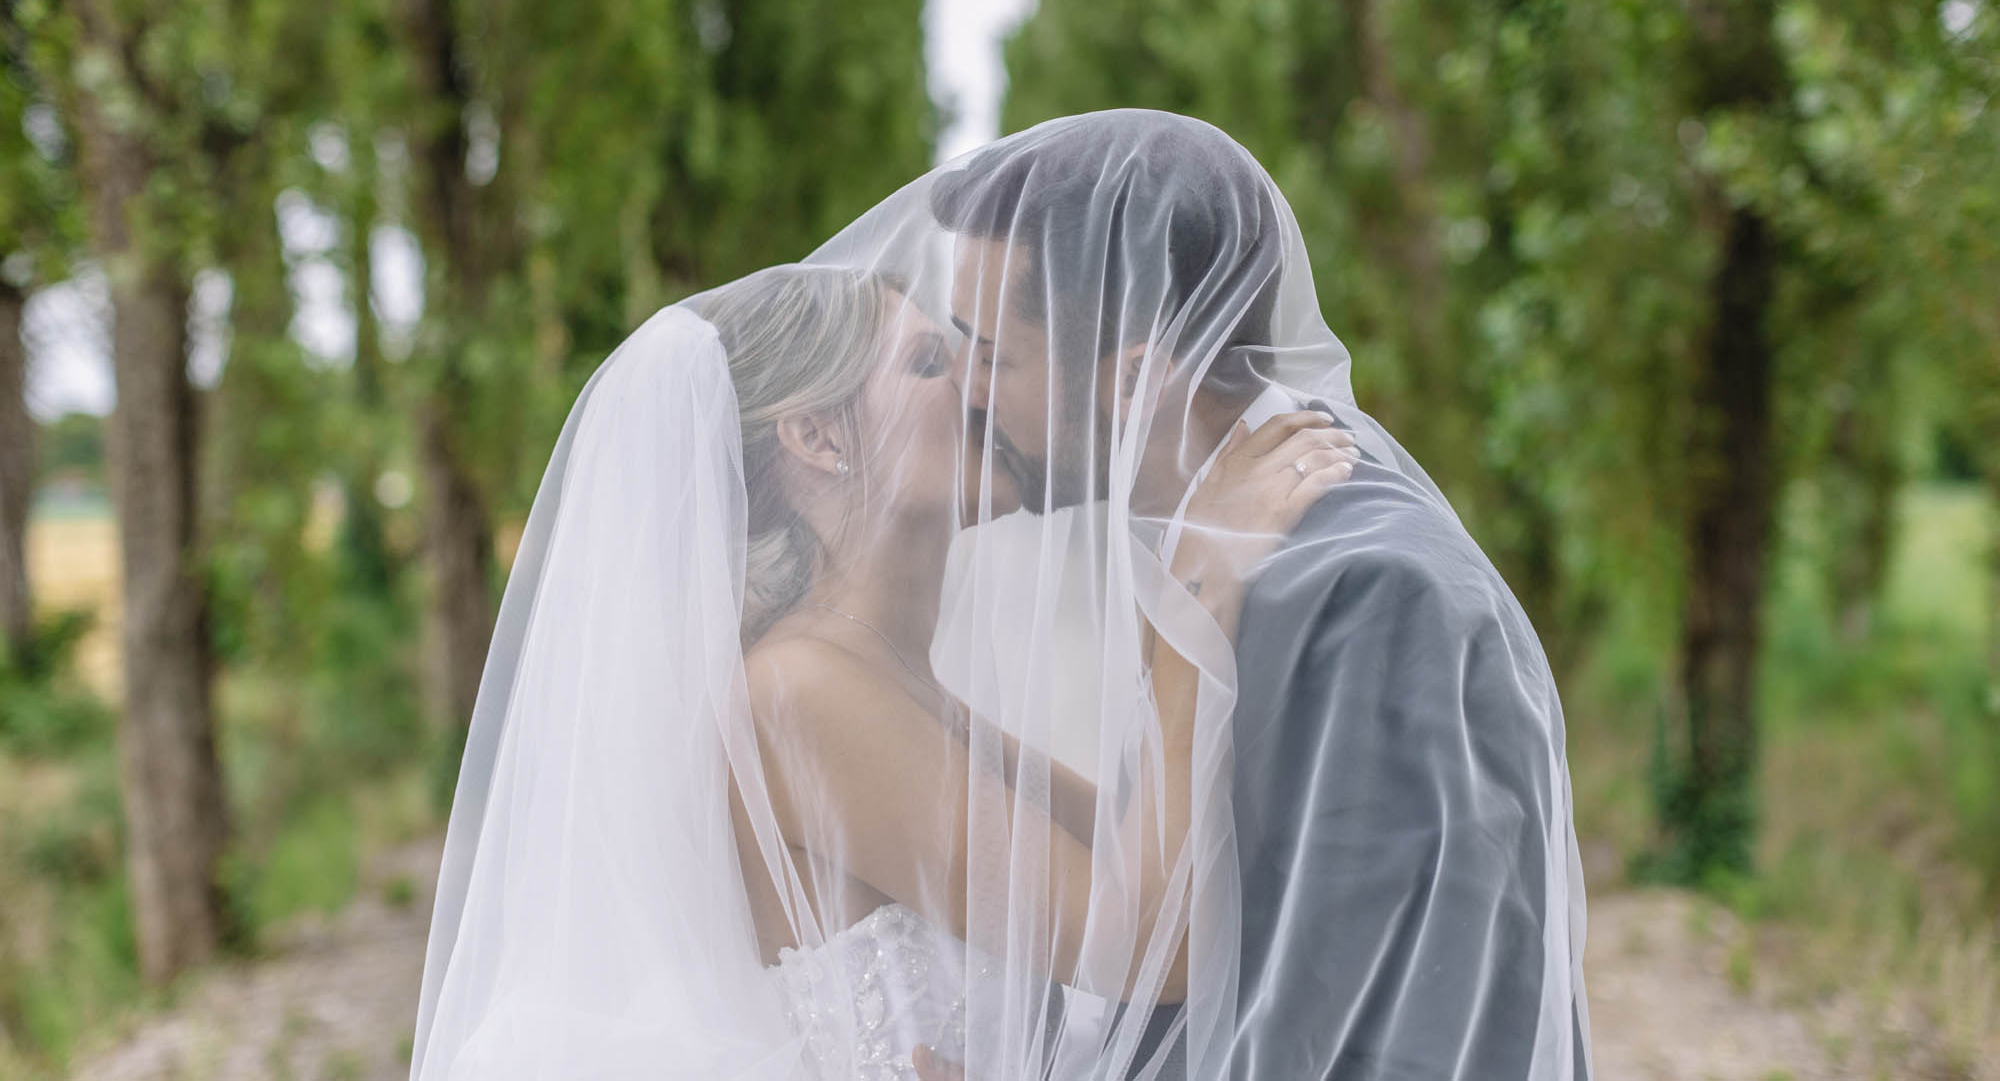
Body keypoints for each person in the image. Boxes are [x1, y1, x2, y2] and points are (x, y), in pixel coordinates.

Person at [406, 260, 1353, 1081]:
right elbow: (1153, 943)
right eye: (931, 362)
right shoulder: (800, 695)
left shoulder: (896, 685)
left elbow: (1142, 855)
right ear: (818, 438)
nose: (981, 389)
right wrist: (1197, 587)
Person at [891, 109, 1593, 1079]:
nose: (966, 393)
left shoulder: (1369, 593)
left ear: (1132, 378)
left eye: (990, 355)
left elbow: (1394, 1031)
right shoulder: (1207, 566)